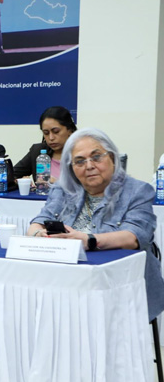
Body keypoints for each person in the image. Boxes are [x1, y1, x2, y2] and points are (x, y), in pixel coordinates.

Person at [26, 128, 164, 321]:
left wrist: (89, 240)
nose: (89, 166)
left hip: (121, 287)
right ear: (71, 167)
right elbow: (37, 223)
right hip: (68, 284)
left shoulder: (137, 191)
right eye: (80, 161)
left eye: (96, 157)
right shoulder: (64, 190)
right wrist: (38, 236)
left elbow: (135, 236)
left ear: (113, 158)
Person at [14, 106, 77, 183]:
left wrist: (57, 183)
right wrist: (19, 181)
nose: (51, 138)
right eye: (46, 133)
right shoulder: (37, 151)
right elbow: (11, 175)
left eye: (56, 131)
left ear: (70, 130)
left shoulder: (82, 152)